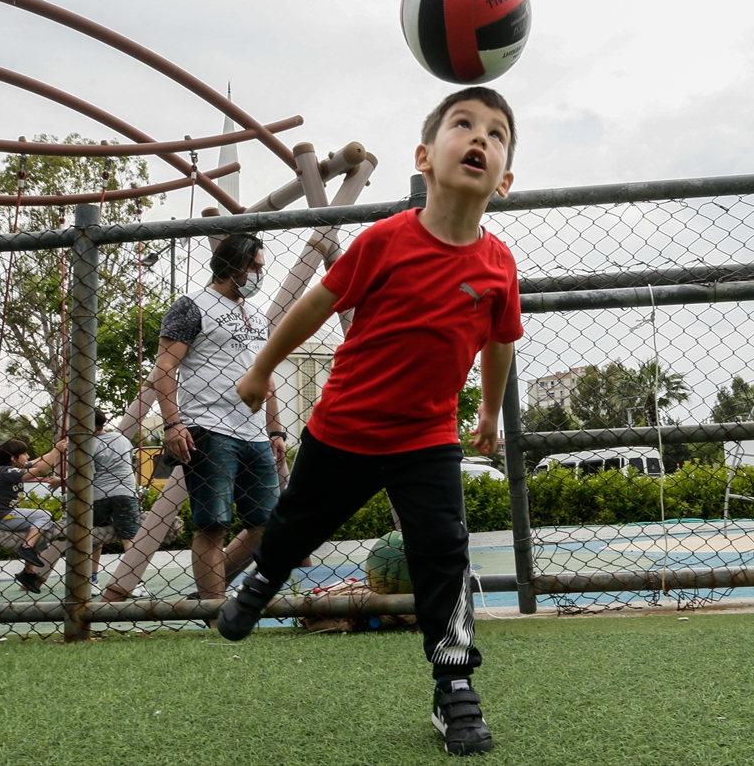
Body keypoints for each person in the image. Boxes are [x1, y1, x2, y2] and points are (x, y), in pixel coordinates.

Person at [220, 87, 523, 756]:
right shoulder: (385, 240)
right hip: (345, 430)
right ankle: (265, 576)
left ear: (504, 180)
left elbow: (502, 340)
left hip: (427, 440)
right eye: (464, 124)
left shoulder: (499, 265)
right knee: (297, 522)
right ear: (424, 155)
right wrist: (262, 369)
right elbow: (315, 307)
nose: (480, 137)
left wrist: (489, 411)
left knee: (444, 557)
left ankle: (454, 688)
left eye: (496, 134)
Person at [155, 233, 284, 601]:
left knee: (268, 523)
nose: (260, 273)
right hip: (208, 428)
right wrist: (172, 423)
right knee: (213, 524)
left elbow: (266, 374)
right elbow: (165, 366)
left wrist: (276, 430)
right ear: (232, 264)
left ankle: (208, 591)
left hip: (255, 432)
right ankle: (213, 614)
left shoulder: (257, 315)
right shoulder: (192, 305)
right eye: (254, 266)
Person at [0, 437, 68, 594]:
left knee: (39, 532)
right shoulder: (7, 471)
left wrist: (57, 449)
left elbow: (37, 461)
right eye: (24, 454)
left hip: (5, 515)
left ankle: (27, 572)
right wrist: (56, 450)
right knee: (44, 516)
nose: (28, 457)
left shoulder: (13, 468)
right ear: (13, 458)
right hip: (0, 516)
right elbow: (40, 470)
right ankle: (26, 548)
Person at [89, 409, 141, 595]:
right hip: (124, 492)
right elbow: (128, 461)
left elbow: (89, 474)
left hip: (98, 495)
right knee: (130, 538)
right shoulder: (121, 439)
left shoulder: (87, 445)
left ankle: (92, 580)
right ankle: (134, 581)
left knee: (94, 538)